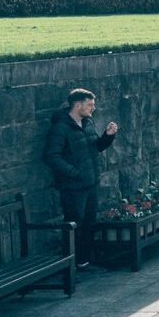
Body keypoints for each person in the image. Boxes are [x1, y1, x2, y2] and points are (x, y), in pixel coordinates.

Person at [42, 88, 119, 269]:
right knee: (75, 223)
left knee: (89, 223)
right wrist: (75, 173)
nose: (93, 108)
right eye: (90, 105)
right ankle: (72, 262)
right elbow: (51, 157)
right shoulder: (60, 128)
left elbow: (95, 147)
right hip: (72, 187)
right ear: (77, 105)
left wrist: (108, 136)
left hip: (90, 183)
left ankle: (85, 260)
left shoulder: (87, 123)